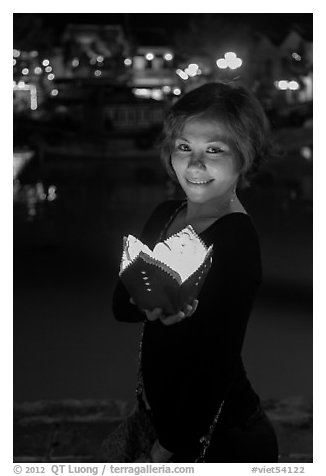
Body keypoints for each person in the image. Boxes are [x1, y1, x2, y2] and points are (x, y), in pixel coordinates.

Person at [112, 81, 279, 463]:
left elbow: (216, 364)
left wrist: (171, 446)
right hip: (162, 417)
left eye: (214, 150)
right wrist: (155, 309)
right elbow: (122, 305)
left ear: (246, 156)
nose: (195, 164)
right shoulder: (165, 214)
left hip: (221, 435)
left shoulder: (236, 241)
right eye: (184, 147)